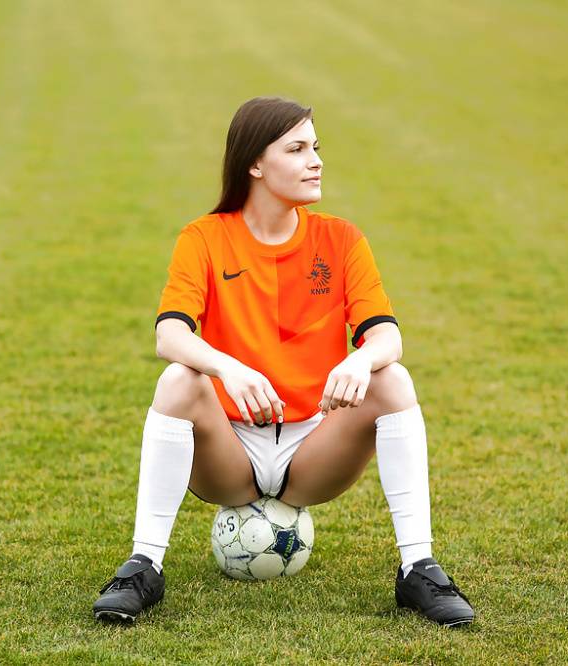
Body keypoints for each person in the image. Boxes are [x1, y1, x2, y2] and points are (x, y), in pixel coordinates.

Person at [93, 96, 475, 627]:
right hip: (229, 451)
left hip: (314, 449)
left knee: (393, 379)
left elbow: (387, 336)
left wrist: (361, 362)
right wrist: (227, 367)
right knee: (179, 379)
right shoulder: (204, 238)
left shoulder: (340, 240)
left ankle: (419, 568)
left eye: (315, 147)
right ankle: (143, 567)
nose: (315, 160)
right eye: (296, 149)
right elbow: (170, 333)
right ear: (254, 163)